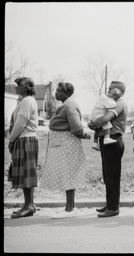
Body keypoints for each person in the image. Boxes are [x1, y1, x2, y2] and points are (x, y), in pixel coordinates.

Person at [40, 82, 91, 218]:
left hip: (67, 145)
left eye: (59, 91)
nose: (56, 93)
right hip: (63, 145)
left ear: (67, 93)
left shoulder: (69, 106)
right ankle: (71, 207)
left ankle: (69, 210)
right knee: (68, 175)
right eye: (56, 90)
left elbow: (76, 127)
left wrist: (84, 134)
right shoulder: (66, 105)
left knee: (68, 175)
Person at [90, 81, 128, 218]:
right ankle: (110, 204)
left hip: (113, 140)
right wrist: (95, 123)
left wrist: (95, 122)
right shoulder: (111, 103)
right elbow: (98, 122)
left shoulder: (118, 104)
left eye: (112, 89)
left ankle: (113, 208)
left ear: (119, 91)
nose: (109, 92)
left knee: (112, 176)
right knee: (108, 175)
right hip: (107, 141)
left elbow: (103, 120)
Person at [8, 77, 39, 219]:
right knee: (27, 173)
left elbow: (20, 124)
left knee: (26, 174)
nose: (16, 87)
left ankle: (28, 206)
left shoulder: (26, 101)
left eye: (19, 85)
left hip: (25, 139)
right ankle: (30, 205)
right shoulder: (27, 100)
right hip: (27, 139)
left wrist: (11, 140)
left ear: (27, 87)